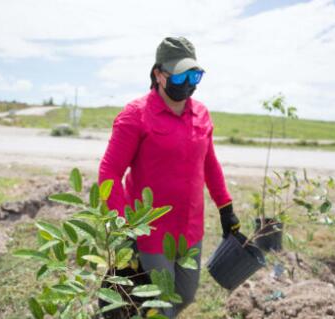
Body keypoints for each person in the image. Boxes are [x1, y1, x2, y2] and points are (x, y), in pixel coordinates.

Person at [98, 36, 241, 318]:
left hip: (190, 229)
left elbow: (209, 163)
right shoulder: (135, 116)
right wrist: (123, 227)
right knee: (163, 305)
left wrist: (226, 208)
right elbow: (109, 173)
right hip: (150, 232)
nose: (188, 83)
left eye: (194, 75)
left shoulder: (201, 114)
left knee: (184, 296)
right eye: (180, 75)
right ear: (158, 75)